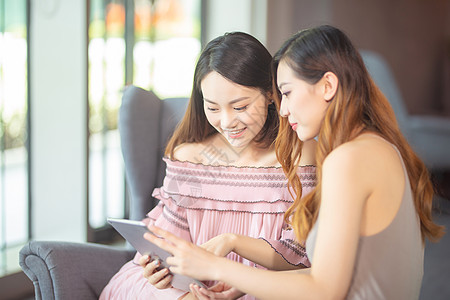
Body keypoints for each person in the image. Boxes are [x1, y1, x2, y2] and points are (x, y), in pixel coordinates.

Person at [144, 25, 445, 300]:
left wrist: (217, 267)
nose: (283, 110)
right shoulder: (375, 146)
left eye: (286, 93)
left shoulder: (347, 159)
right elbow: (334, 276)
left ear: (328, 86)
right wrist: (239, 275)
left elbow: (325, 290)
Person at [99, 32, 317, 300]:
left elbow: (299, 255)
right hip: (189, 287)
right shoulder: (190, 157)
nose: (226, 122)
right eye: (212, 108)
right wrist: (158, 268)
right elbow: (168, 241)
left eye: (240, 107)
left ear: (271, 94)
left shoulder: (300, 155)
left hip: (261, 287)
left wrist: (231, 243)